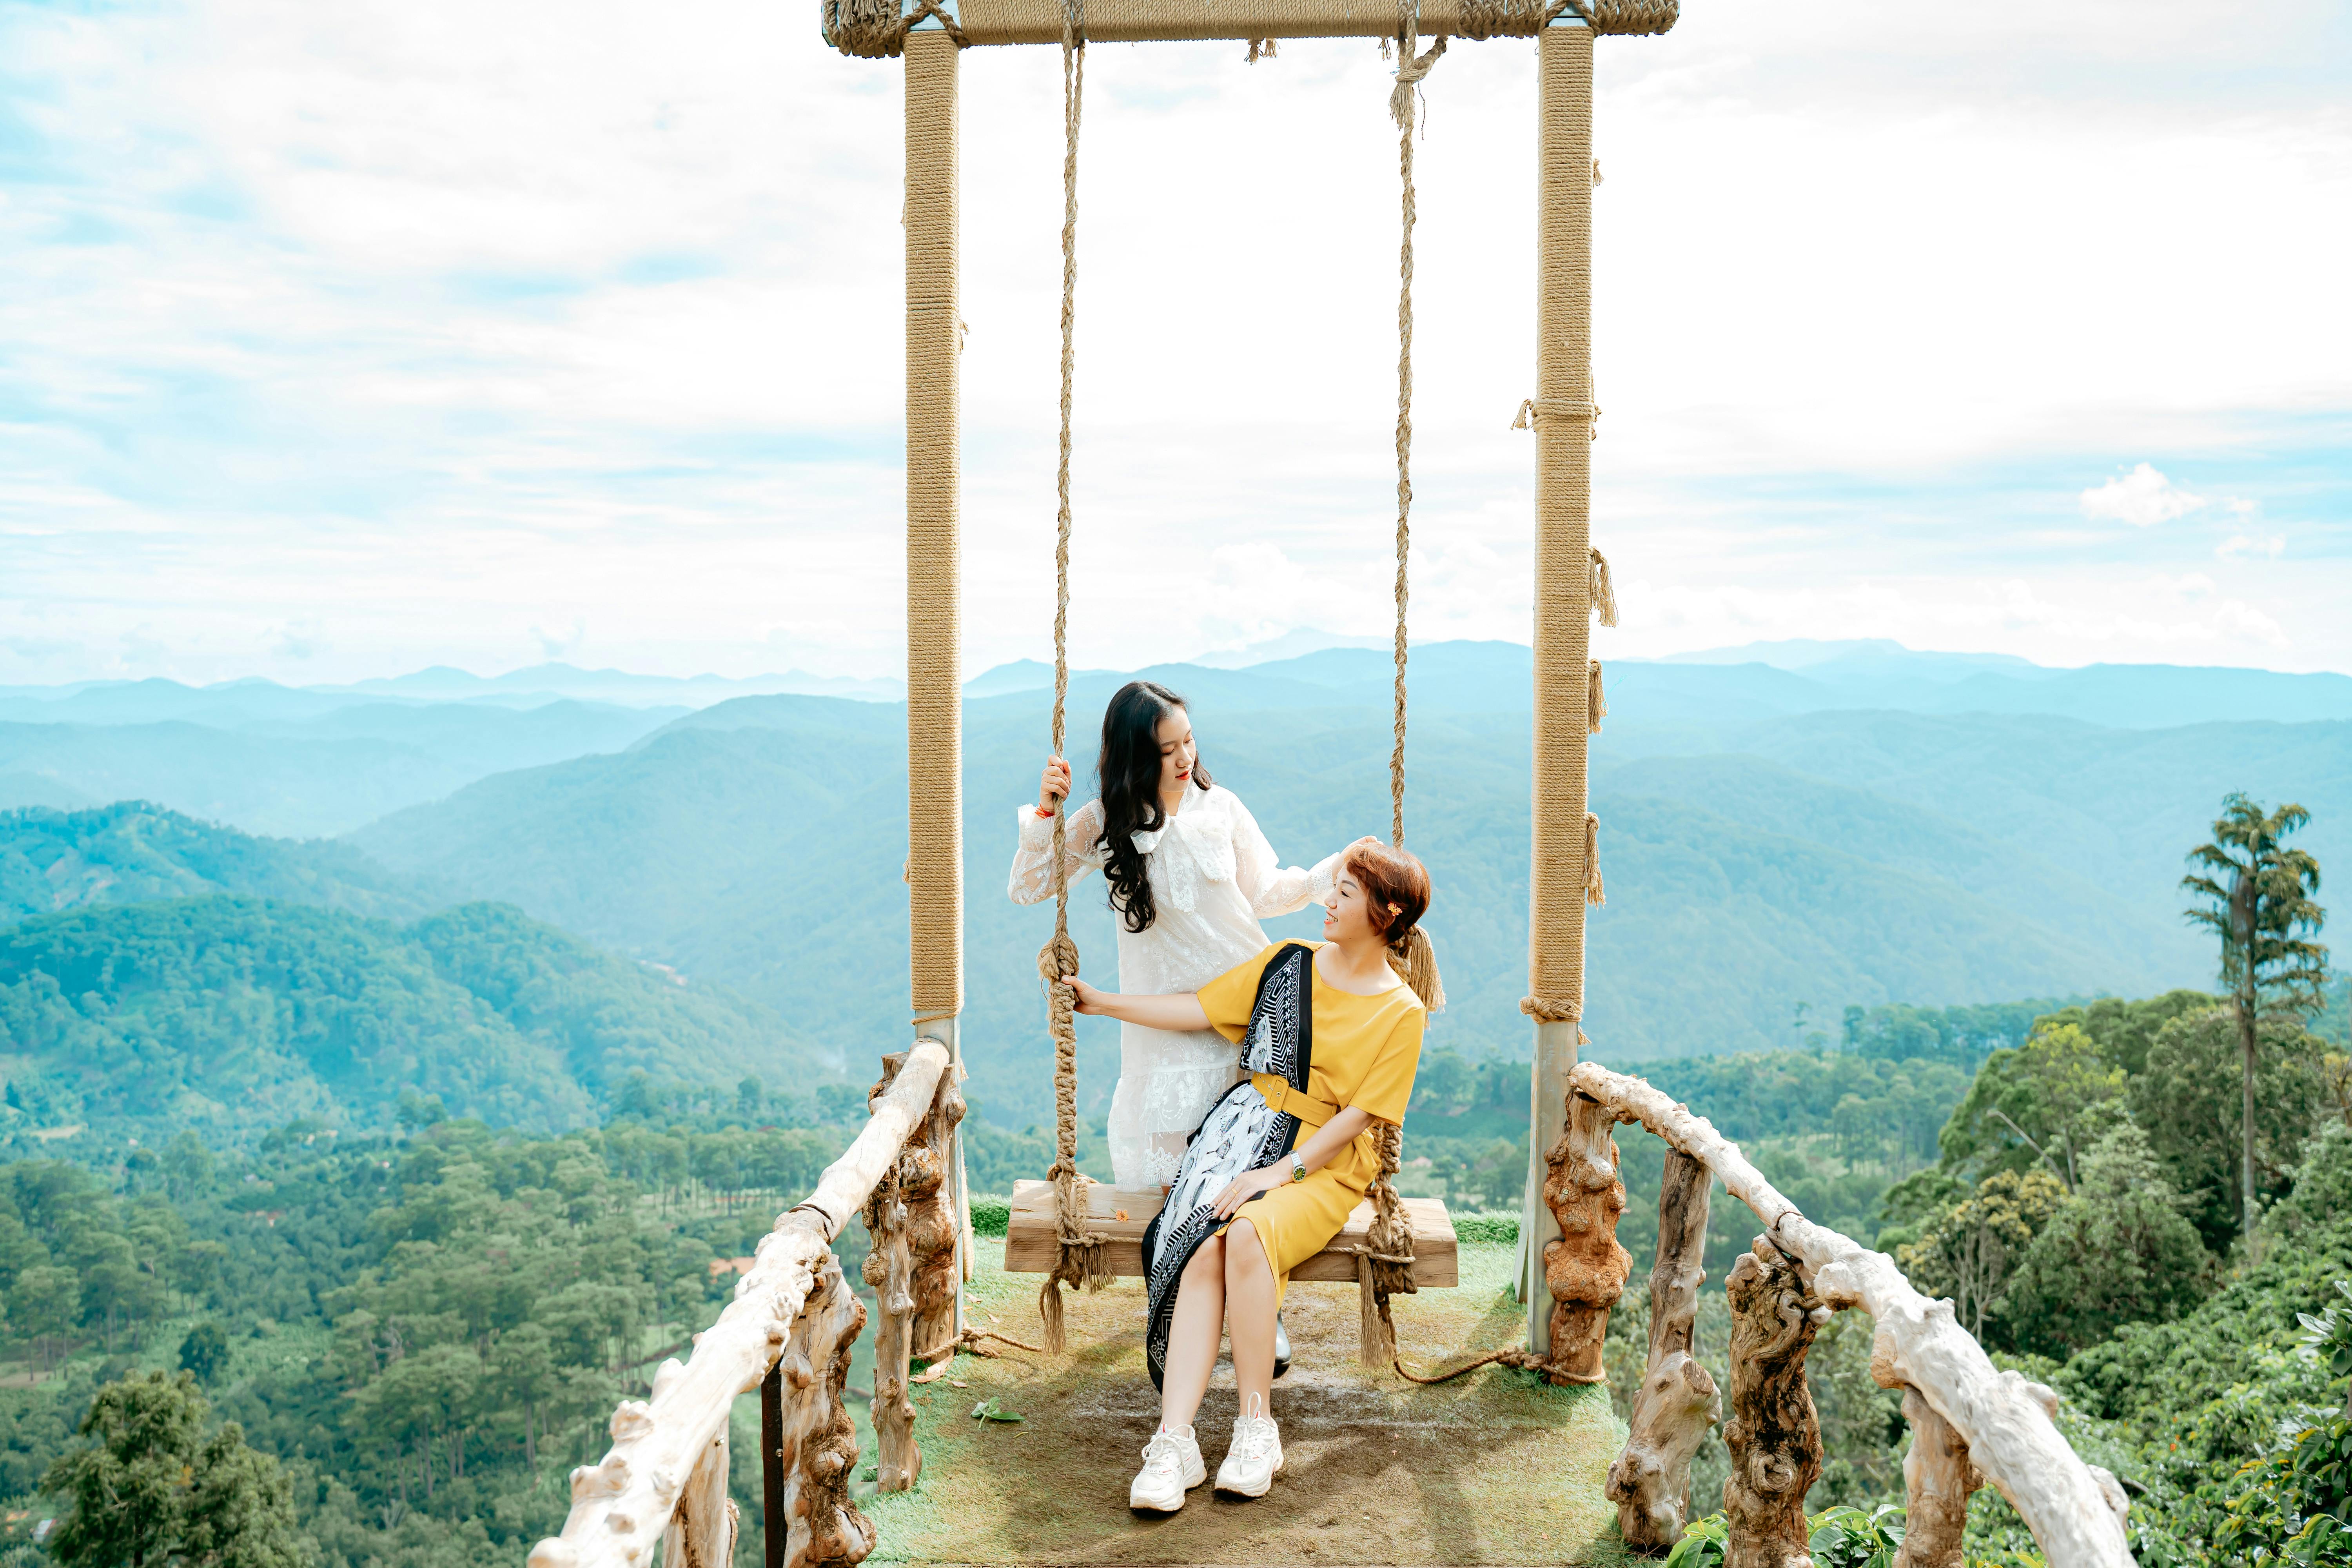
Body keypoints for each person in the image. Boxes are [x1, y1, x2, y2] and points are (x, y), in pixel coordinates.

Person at [1069, 841, 1434, 1512]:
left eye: (1345, 894)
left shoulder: (1402, 1012)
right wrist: (1102, 1004)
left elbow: (1359, 1118)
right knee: (1205, 1245)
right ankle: (1174, 1441)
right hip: (1241, 1138)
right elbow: (1203, 1009)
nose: (1329, 900)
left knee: (1244, 1235)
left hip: (1322, 1165)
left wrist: (1281, 1172)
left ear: (1386, 913)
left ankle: (1256, 1427)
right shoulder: (1290, 963)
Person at [1009, 679, 1359, 1191]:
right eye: (1167, 750)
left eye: (1189, 741)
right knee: (1170, 1189)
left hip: (1246, 1009)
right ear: (1135, 757)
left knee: (1243, 1182)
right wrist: (1045, 811)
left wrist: (1328, 875)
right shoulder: (1106, 820)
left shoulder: (1222, 806)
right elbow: (1028, 886)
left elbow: (1262, 892)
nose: (1184, 759)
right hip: (1166, 1029)